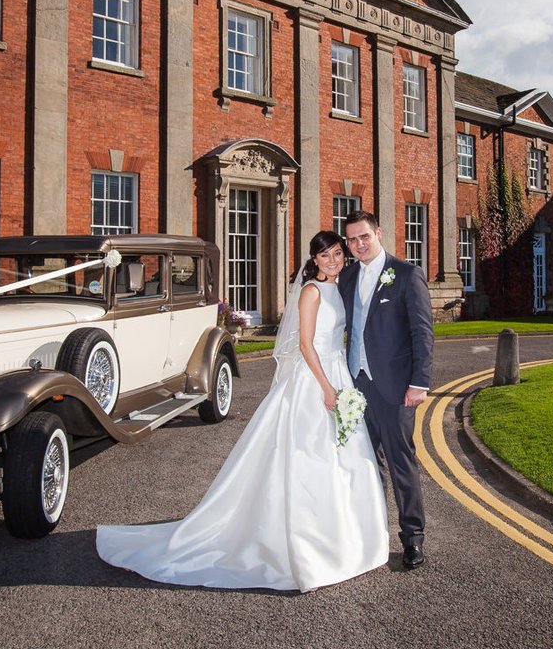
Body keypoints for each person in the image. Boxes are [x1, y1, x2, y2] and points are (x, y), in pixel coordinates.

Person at [96, 231, 389, 592]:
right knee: (307, 456)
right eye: (324, 255)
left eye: (337, 253)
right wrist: (327, 388)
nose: (332, 260)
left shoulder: (340, 287)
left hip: (338, 374)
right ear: (313, 260)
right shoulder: (312, 291)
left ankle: (344, 535)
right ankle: (302, 543)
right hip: (316, 380)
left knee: (343, 457)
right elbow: (305, 344)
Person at [339, 210, 433, 569]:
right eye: (351, 239)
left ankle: (412, 538)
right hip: (355, 384)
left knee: (400, 462)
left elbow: (422, 332)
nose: (358, 244)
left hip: (395, 388)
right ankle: (374, 534)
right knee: (365, 463)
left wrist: (419, 382)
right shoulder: (347, 276)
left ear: (378, 233)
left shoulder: (407, 275)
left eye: (364, 236)